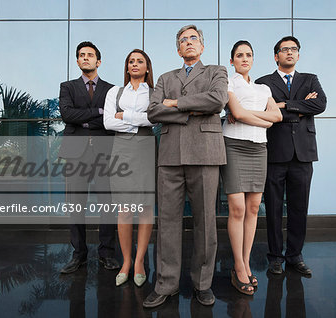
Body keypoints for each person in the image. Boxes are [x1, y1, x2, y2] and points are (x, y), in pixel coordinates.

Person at [142, 25, 228, 308]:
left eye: (193, 39)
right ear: (178, 49)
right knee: (167, 223)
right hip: (169, 156)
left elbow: (217, 100)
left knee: (205, 222)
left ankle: (203, 284)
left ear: (201, 47)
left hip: (205, 153)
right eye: (183, 40)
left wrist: (177, 103)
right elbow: (154, 111)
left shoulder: (216, 72)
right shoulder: (166, 77)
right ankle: (166, 284)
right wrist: (192, 109)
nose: (188, 42)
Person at [255, 36, 326, 276]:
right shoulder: (263, 83)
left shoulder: (310, 79)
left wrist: (283, 105)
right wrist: (300, 107)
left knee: (299, 208)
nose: (290, 53)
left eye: (294, 49)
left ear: (298, 54)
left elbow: (320, 105)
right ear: (276, 56)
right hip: (274, 152)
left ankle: (295, 255)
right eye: (285, 50)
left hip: (303, 154)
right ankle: (275, 256)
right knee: (273, 208)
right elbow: (263, 112)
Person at [221, 40, 282, 295]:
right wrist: (260, 118)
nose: (244, 59)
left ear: (253, 59)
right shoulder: (228, 82)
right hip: (234, 145)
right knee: (237, 208)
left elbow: (277, 117)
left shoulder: (264, 87)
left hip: (259, 148)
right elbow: (236, 111)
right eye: (239, 55)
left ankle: (245, 262)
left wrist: (249, 115)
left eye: (248, 55)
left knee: (254, 207)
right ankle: (237, 264)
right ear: (232, 60)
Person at [59, 41, 119, 274]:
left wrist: (83, 118)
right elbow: (66, 114)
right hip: (75, 153)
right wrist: (97, 112)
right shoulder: (67, 87)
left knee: (107, 204)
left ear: (98, 61)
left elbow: (111, 119)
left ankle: (106, 253)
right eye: (81, 55)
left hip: (105, 151)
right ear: (77, 61)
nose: (85, 58)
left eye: (90, 55)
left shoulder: (111, 90)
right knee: (75, 205)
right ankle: (79, 255)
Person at [103, 49, 155, 287]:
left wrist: (125, 116)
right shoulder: (115, 91)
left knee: (144, 208)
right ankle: (126, 261)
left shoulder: (154, 93)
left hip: (145, 150)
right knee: (124, 209)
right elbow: (108, 121)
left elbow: (154, 119)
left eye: (140, 61)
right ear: (126, 67)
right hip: (121, 150)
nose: (135, 64)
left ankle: (140, 261)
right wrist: (137, 120)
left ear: (147, 67)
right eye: (131, 61)